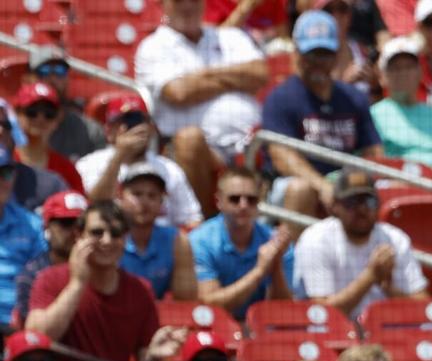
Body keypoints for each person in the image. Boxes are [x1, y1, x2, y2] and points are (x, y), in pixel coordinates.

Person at [134, 0, 268, 212]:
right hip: (196, 151)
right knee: (190, 139)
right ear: (163, 4)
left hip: (253, 145)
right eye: (179, 1)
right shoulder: (153, 46)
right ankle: (199, 224)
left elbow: (259, 73)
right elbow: (179, 92)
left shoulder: (230, 36)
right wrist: (233, 76)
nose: (187, 6)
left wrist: (202, 75)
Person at [27, 201, 186, 361]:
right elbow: (36, 339)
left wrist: (153, 354)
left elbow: (143, 359)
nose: (107, 240)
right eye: (97, 232)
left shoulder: (140, 289)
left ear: (125, 239)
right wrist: (77, 283)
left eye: (116, 233)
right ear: (79, 236)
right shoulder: (50, 278)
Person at [260, 9, 383, 218]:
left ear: (336, 55)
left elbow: (375, 153)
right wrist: (322, 186)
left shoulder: (354, 99)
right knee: (301, 189)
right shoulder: (281, 98)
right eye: (312, 54)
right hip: (290, 188)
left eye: (325, 54)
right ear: (297, 54)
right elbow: (282, 156)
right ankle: (297, 251)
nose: (318, 63)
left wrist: (354, 185)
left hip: (344, 185)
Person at [292, 169, 428, 321]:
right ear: (335, 206)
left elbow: (424, 307)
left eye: (369, 202)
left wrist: (389, 289)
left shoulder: (395, 238)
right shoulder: (316, 239)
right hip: (336, 337)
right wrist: (369, 277)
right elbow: (322, 315)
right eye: (352, 202)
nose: (362, 209)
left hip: (387, 331)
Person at [75, 95, 204, 229]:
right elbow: (94, 206)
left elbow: (192, 219)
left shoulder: (169, 169)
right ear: (109, 130)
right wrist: (120, 155)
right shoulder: (89, 164)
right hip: (111, 241)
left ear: (151, 128)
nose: (132, 128)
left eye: (138, 120)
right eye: (124, 121)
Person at [189, 168, 294, 321]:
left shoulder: (277, 243)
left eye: (251, 200)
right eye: (235, 199)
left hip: (260, 330)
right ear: (219, 201)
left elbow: (284, 310)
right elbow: (209, 305)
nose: (243, 205)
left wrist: (276, 264)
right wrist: (259, 272)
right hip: (215, 329)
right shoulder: (200, 241)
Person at [371, 35, 432, 169]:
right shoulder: (372, 116)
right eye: (395, 68)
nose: (403, 73)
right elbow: (372, 163)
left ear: (420, 72)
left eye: (409, 67)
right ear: (382, 77)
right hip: (395, 183)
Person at [118, 163, 199, 300]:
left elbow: (186, 299)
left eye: (152, 195)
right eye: (137, 194)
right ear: (120, 197)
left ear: (161, 202)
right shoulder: (107, 238)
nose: (144, 202)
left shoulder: (177, 240)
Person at [13, 190, 86, 329]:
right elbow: (32, 333)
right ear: (46, 226)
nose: (74, 232)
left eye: (81, 225)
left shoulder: (102, 269)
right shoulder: (32, 274)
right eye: (66, 223)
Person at [25, 46, 107, 161]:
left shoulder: (90, 131)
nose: (52, 78)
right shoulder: (13, 127)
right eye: (44, 70)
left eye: (60, 70)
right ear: (29, 78)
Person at [0, 146, 48, 328]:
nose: (1, 181)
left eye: (6, 173)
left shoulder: (33, 225)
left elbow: (41, 276)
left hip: (19, 326)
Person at [11, 83, 85, 193]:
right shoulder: (5, 160)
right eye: (32, 111)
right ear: (16, 114)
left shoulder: (67, 169)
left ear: (57, 119)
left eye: (49, 113)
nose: (40, 118)